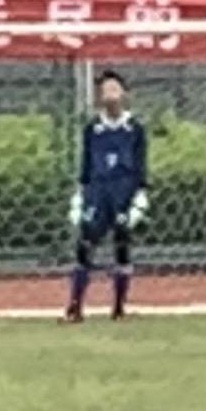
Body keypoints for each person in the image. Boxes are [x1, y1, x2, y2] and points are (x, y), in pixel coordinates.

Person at [65, 69, 145, 319]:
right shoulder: (92, 129)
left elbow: (140, 164)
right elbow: (86, 164)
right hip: (97, 191)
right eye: (105, 89)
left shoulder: (135, 129)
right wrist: (80, 195)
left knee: (122, 243)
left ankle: (119, 307)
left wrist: (140, 194)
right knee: (85, 243)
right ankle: (75, 305)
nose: (110, 94)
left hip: (123, 192)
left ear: (124, 94)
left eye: (114, 88)